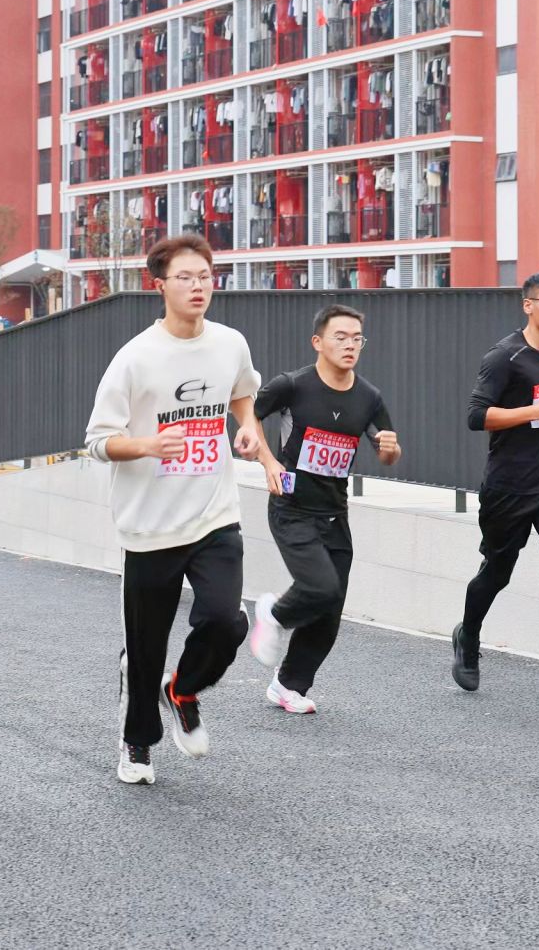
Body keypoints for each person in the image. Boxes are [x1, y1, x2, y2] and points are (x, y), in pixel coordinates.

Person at [85, 234, 266, 785]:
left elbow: (242, 393)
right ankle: (138, 743)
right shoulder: (135, 358)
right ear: (159, 285)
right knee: (145, 650)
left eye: (205, 276)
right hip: (149, 527)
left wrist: (248, 429)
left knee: (225, 620)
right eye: (184, 277)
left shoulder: (230, 343)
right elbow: (97, 441)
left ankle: (183, 689)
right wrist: (147, 445)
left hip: (214, 514)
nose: (197, 286)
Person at [245, 304, 400, 712]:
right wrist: (268, 461)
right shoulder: (292, 385)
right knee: (320, 587)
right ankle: (273, 614)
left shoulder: (368, 397)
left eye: (357, 339)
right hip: (291, 507)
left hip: (335, 513)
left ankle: (288, 685)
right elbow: (249, 417)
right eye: (341, 337)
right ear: (318, 342)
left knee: (330, 610)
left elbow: (387, 452)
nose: (350, 345)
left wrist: (390, 449)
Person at [452, 271, 539, 702]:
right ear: (529, 306)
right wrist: (535, 410)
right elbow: (477, 416)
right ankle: (467, 636)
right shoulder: (504, 358)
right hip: (509, 486)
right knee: (496, 573)